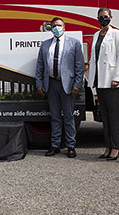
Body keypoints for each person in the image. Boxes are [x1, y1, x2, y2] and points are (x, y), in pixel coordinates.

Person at [36, 17, 84, 158]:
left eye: (59, 25)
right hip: (51, 84)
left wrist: (77, 84)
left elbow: (79, 66)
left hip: (67, 85)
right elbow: (40, 66)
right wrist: (39, 83)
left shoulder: (74, 44)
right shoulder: (45, 45)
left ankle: (71, 146)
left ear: (64, 27)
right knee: (55, 117)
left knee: (69, 117)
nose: (57, 28)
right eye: (54, 26)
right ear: (51, 28)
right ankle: (55, 145)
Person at [88, 8, 119, 161]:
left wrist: (116, 77)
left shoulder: (116, 34)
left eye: (105, 16)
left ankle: (116, 147)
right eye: (100, 17)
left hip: (111, 81)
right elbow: (94, 58)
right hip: (100, 81)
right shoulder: (97, 34)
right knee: (105, 116)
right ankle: (108, 146)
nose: (103, 19)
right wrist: (92, 79)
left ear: (111, 17)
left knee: (114, 116)